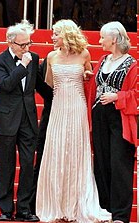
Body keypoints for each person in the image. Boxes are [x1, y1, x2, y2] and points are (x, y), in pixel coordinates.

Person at [36, 19, 111, 222]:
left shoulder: (84, 54)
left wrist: (87, 75)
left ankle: (77, 204)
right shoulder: (51, 56)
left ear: (66, 34)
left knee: (76, 150)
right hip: (59, 108)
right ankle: (57, 206)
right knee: (58, 149)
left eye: (56, 34)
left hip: (77, 107)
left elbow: (91, 76)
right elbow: (50, 84)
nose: (52, 37)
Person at [0, 19, 52, 222]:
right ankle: (6, 210)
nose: (26, 48)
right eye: (22, 44)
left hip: (28, 119)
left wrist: (63, 96)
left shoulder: (34, 58)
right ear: (10, 43)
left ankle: (24, 209)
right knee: (6, 166)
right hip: (6, 120)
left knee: (27, 164)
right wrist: (22, 66)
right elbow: (6, 85)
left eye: (29, 44)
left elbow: (40, 86)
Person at [88, 21, 137, 223]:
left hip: (119, 118)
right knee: (101, 163)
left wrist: (118, 97)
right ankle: (105, 209)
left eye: (102, 37)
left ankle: (120, 215)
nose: (99, 41)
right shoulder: (102, 60)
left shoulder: (132, 64)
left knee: (119, 165)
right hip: (100, 117)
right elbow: (95, 86)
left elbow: (136, 92)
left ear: (114, 39)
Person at [29, 57, 52, 215]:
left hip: (73, 112)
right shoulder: (47, 60)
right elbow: (39, 84)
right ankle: (35, 203)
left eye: (56, 33)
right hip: (50, 114)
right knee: (42, 159)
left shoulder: (82, 57)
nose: (52, 37)